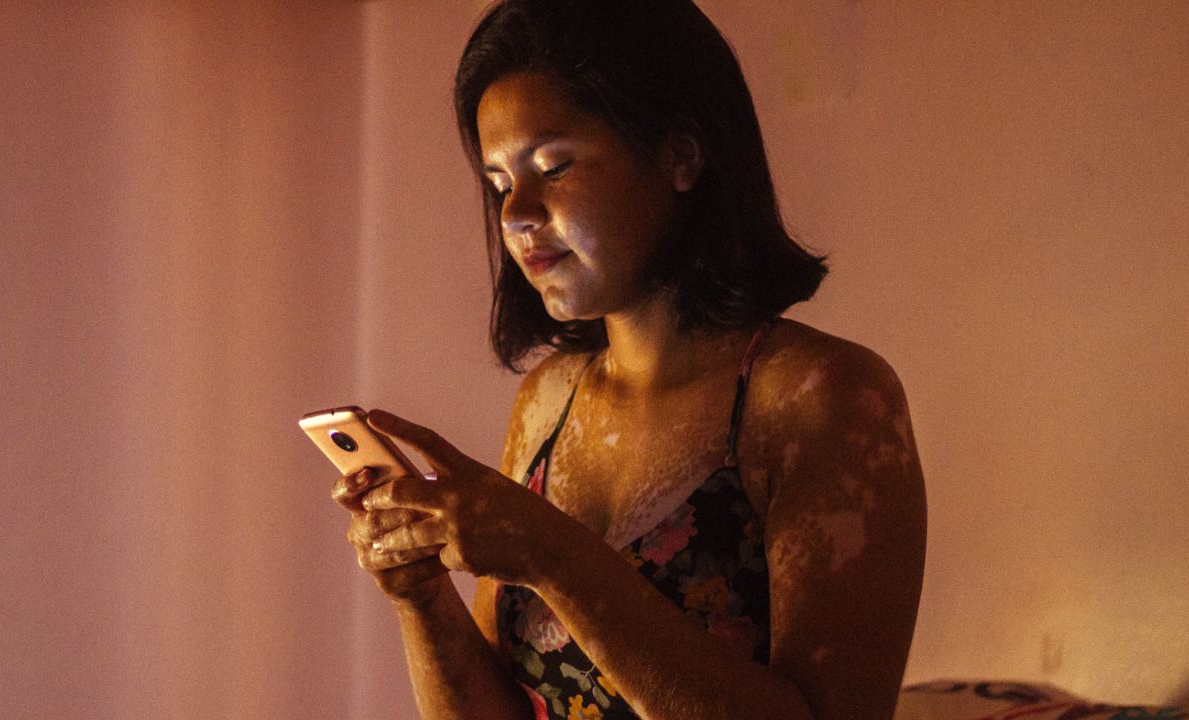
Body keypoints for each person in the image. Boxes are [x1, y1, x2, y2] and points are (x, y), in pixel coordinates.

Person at [331, 1, 926, 718]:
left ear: (680, 155)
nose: (516, 213)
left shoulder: (819, 399)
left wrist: (553, 555)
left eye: (553, 166)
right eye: (497, 184)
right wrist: (421, 595)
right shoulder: (551, 403)